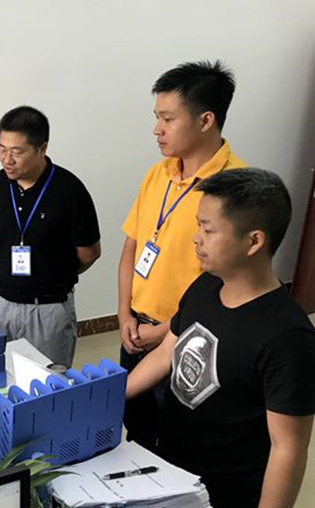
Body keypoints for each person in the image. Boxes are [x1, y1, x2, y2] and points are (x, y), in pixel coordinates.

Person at [126, 169, 315, 507]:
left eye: (208, 229)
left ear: (254, 241)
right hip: (173, 472)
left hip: (226, 492)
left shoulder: (288, 337)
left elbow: (288, 448)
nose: (196, 238)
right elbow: (167, 351)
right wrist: (106, 394)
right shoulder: (206, 285)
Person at [118, 60, 245, 450]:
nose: (157, 129)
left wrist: (164, 331)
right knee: (135, 432)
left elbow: (227, 285)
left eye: (168, 119)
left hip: (187, 340)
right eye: (157, 117)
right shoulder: (157, 174)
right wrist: (124, 315)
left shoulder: (234, 191)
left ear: (205, 120)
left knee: (176, 440)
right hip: (134, 331)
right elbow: (131, 248)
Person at [0, 106, 101, 367]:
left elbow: (89, 252)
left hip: (48, 310)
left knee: (48, 382)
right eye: (1, 149)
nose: (6, 159)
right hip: (1, 302)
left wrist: (54, 274)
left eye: (16, 152)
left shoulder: (69, 191)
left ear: (41, 148)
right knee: (1, 377)